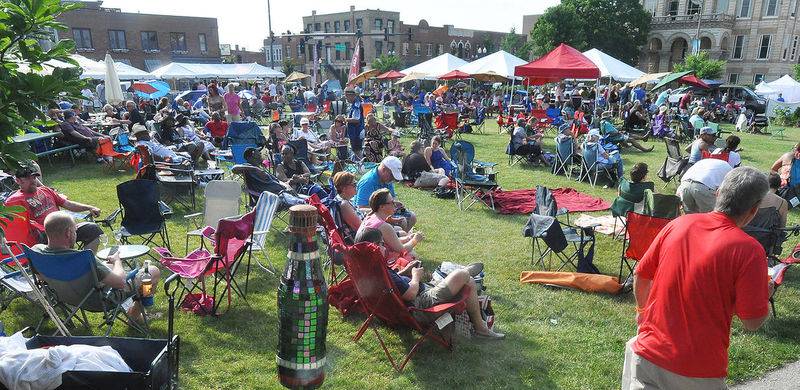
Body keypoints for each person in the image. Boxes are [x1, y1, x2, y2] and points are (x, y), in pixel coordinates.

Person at [623, 167, 771, 390]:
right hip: (696, 370)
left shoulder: (678, 224)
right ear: (753, 210)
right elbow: (752, 322)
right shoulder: (750, 251)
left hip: (645, 355)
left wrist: (641, 313)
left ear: (718, 193)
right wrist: (764, 295)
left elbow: (641, 274)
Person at [356, 194, 504, 340]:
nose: (384, 247)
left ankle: (480, 326)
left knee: (469, 282)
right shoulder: (380, 265)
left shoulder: (372, 269)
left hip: (414, 296)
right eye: (382, 244)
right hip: (420, 305)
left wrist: (405, 272)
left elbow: (393, 283)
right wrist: (415, 276)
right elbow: (410, 294)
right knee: (462, 276)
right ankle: (464, 274)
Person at [32, 211, 161, 323]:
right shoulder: (83, 258)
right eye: (75, 231)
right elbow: (120, 283)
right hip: (100, 301)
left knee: (106, 266)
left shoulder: (36, 252)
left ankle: (139, 303)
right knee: (152, 271)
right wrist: (117, 261)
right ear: (68, 233)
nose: (76, 234)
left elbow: (40, 278)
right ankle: (135, 315)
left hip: (65, 296)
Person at [5, 163, 104, 252]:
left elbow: (67, 204)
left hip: (66, 229)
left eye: (34, 177)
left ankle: (86, 263)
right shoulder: (15, 201)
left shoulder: (45, 190)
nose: (33, 181)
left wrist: (89, 207)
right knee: (63, 235)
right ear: (18, 181)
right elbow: (18, 229)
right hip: (44, 237)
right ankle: (69, 261)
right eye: (27, 178)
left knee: (92, 229)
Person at [354, 188, 424, 269]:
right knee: (412, 255)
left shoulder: (371, 216)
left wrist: (408, 238)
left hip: (363, 260)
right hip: (376, 266)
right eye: (392, 202)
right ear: (382, 206)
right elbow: (401, 250)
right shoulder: (383, 226)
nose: (395, 205)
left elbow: (390, 242)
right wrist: (415, 241)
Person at [355, 156, 416, 231]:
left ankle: (401, 240)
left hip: (385, 212)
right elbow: (360, 209)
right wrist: (383, 213)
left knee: (412, 217)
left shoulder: (387, 179)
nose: (393, 179)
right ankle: (398, 240)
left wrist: (395, 203)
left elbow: (392, 197)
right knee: (402, 222)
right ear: (384, 170)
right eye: (392, 175)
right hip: (371, 217)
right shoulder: (368, 182)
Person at [331, 172, 363, 244]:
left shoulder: (340, 199)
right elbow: (361, 227)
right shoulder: (344, 205)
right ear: (344, 188)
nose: (356, 187)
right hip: (358, 241)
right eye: (354, 185)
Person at [345, 87, 365, 159]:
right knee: (356, 150)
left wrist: (345, 119)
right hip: (355, 132)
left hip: (357, 131)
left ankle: (360, 166)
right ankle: (358, 165)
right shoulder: (354, 104)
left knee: (357, 150)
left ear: (350, 96)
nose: (346, 98)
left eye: (346, 96)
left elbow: (356, 119)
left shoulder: (356, 105)